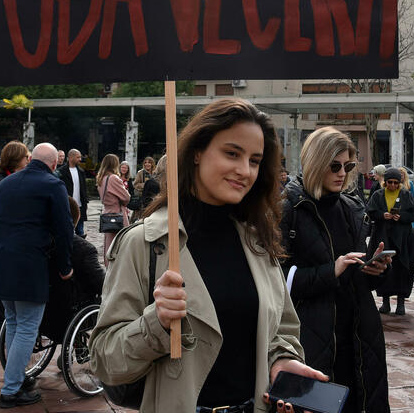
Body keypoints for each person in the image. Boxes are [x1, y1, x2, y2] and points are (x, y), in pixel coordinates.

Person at [91, 98, 325, 413]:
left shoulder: (259, 242)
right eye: (232, 153)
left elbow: (283, 331)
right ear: (198, 152)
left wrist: (282, 361)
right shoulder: (146, 243)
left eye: (255, 160)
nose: (244, 171)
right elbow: (105, 361)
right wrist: (156, 323)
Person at [280, 127, 393, 413]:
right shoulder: (287, 209)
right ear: (316, 162)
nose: (342, 172)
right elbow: (275, 283)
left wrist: (372, 268)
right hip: (310, 337)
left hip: (357, 335)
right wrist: (332, 270)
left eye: (349, 166)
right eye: (334, 165)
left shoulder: (351, 206)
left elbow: (353, 273)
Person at [0, 142, 73, 408]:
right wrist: (65, 267)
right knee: (27, 326)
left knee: (15, 322)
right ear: (54, 164)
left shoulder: (6, 183)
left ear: (31, 158)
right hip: (29, 265)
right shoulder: (52, 185)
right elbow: (64, 230)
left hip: (1, 262)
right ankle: (11, 389)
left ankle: (17, 378)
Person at [0, 140, 30, 327]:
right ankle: (1, 325)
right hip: (1, 242)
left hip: (20, 242)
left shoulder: (26, 180)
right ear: (16, 158)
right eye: (25, 156)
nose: (28, 160)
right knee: (1, 287)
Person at [366, 167, 414, 315]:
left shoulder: (406, 195)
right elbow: (370, 211)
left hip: (402, 239)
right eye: (390, 182)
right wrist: (383, 215)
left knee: (403, 269)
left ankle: (401, 302)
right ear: (385, 182)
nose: (393, 186)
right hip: (383, 236)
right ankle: (385, 301)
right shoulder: (378, 195)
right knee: (384, 268)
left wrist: (401, 217)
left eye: (396, 183)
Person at [98, 153, 130, 262]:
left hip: (107, 212)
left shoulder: (101, 178)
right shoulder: (114, 178)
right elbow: (126, 197)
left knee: (109, 243)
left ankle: (109, 267)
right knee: (120, 243)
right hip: (117, 213)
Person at [59, 148, 88, 236]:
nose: (80, 159)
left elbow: (84, 189)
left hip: (80, 206)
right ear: (71, 157)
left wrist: (85, 201)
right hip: (67, 206)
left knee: (80, 232)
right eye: (78, 157)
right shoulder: (61, 171)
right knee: (67, 231)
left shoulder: (81, 171)